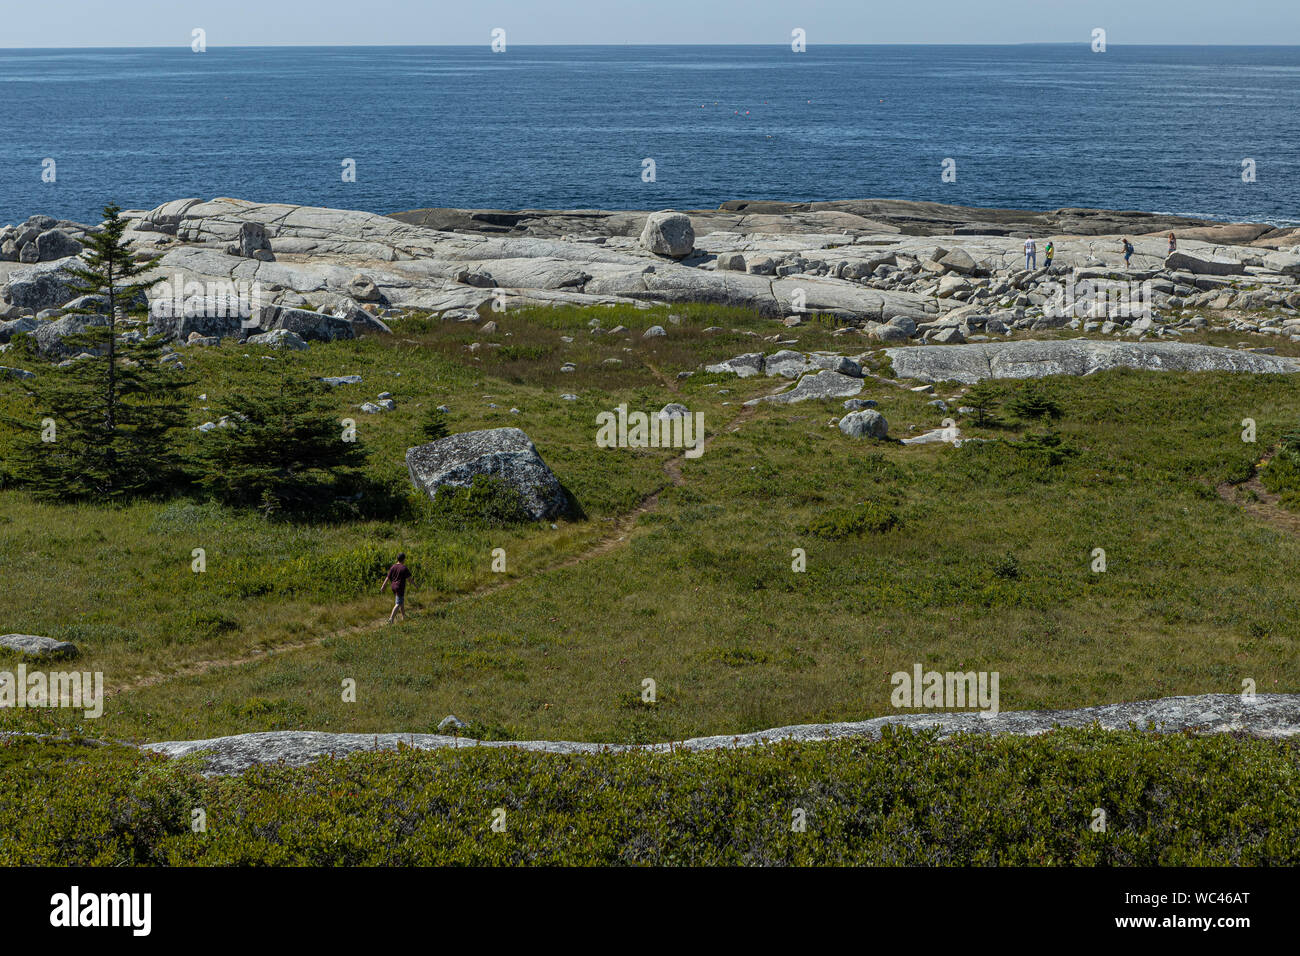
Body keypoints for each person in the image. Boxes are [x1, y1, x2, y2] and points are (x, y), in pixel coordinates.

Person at [381, 553, 413, 623]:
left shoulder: (393, 566)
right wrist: (415, 585)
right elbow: (409, 579)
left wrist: (383, 586)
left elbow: (387, 577)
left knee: (401, 601)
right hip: (399, 587)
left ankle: (404, 616)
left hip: (393, 586)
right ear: (403, 559)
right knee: (398, 604)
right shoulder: (404, 568)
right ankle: (391, 619)